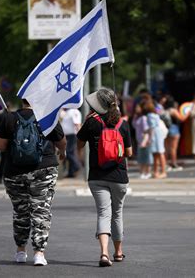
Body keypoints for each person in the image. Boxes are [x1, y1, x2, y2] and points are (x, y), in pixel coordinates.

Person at [0, 99, 66, 265]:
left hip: (14, 172)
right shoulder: (48, 117)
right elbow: (61, 141)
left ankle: (21, 251)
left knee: (20, 211)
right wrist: (62, 152)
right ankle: (39, 253)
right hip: (44, 169)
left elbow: (0, 145)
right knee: (41, 210)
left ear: (22, 101)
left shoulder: (9, 118)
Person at [77, 88, 133, 267]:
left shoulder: (91, 122)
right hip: (119, 177)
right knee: (117, 214)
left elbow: (79, 145)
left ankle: (104, 253)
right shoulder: (122, 124)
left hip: (96, 175)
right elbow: (129, 153)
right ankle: (118, 252)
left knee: (103, 213)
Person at [163, 95, 190, 170]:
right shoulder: (173, 110)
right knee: (173, 148)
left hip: (166, 129)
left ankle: (165, 164)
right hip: (174, 129)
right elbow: (181, 118)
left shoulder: (165, 110)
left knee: (166, 148)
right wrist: (186, 113)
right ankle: (174, 163)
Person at [143, 100, 167, 178]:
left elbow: (152, 128)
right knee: (158, 153)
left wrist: (150, 138)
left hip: (155, 134)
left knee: (158, 153)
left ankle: (161, 171)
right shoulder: (155, 114)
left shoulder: (149, 115)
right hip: (158, 133)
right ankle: (157, 171)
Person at [59, 108, 82, 178]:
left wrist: (80, 135)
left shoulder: (74, 111)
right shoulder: (68, 112)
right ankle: (71, 172)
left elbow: (77, 124)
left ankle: (77, 166)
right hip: (67, 135)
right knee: (70, 153)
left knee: (68, 152)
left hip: (72, 135)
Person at [132, 103, 153, 179]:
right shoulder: (138, 118)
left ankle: (147, 172)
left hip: (144, 141)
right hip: (140, 141)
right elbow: (134, 126)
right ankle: (142, 172)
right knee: (141, 158)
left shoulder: (143, 118)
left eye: (138, 107)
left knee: (146, 158)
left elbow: (146, 131)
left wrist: (145, 141)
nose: (136, 109)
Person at [0, 109, 8, 184]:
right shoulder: (9, 116)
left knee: (2, 161)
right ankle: (4, 177)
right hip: (8, 141)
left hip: (1, 138)